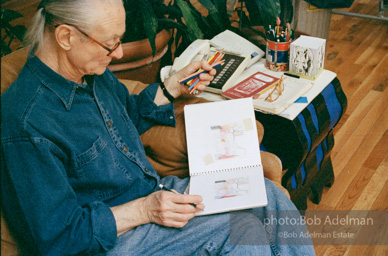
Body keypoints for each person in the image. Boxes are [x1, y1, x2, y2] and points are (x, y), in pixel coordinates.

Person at [1, 0, 316, 255]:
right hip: (113, 239)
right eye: (110, 46)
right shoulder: (27, 123)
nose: (119, 54)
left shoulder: (87, 70)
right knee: (241, 230)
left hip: (153, 195)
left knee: (268, 195)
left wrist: (171, 87)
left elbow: (126, 117)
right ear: (66, 37)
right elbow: (59, 238)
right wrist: (144, 211)